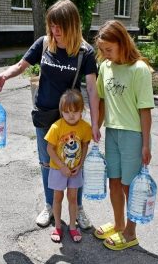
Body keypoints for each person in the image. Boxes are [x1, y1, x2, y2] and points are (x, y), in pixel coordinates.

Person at [0, 0, 100, 229]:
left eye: (59, 26)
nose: (55, 31)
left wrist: (95, 124)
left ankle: (77, 208)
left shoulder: (85, 52)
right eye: (52, 25)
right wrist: (4, 75)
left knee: (74, 162)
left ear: (72, 25)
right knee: (46, 163)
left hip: (70, 118)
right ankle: (50, 205)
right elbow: (21, 65)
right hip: (44, 116)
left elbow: (92, 89)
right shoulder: (44, 43)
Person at [93, 20, 155, 250]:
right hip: (112, 132)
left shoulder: (139, 69)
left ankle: (130, 232)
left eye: (109, 49)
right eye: (102, 50)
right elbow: (100, 101)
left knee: (130, 186)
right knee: (115, 183)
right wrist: (95, 127)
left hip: (133, 135)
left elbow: (145, 110)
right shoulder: (105, 68)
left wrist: (145, 144)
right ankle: (118, 224)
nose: (105, 54)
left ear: (122, 43)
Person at [45, 89, 91, 243]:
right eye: (67, 111)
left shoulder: (85, 127)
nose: (71, 115)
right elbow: (49, 149)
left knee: (73, 198)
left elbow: (84, 146)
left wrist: (80, 165)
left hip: (75, 171)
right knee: (57, 197)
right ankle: (58, 226)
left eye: (75, 111)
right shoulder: (56, 127)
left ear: (82, 110)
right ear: (61, 111)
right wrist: (62, 166)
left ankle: (72, 227)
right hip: (58, 169)